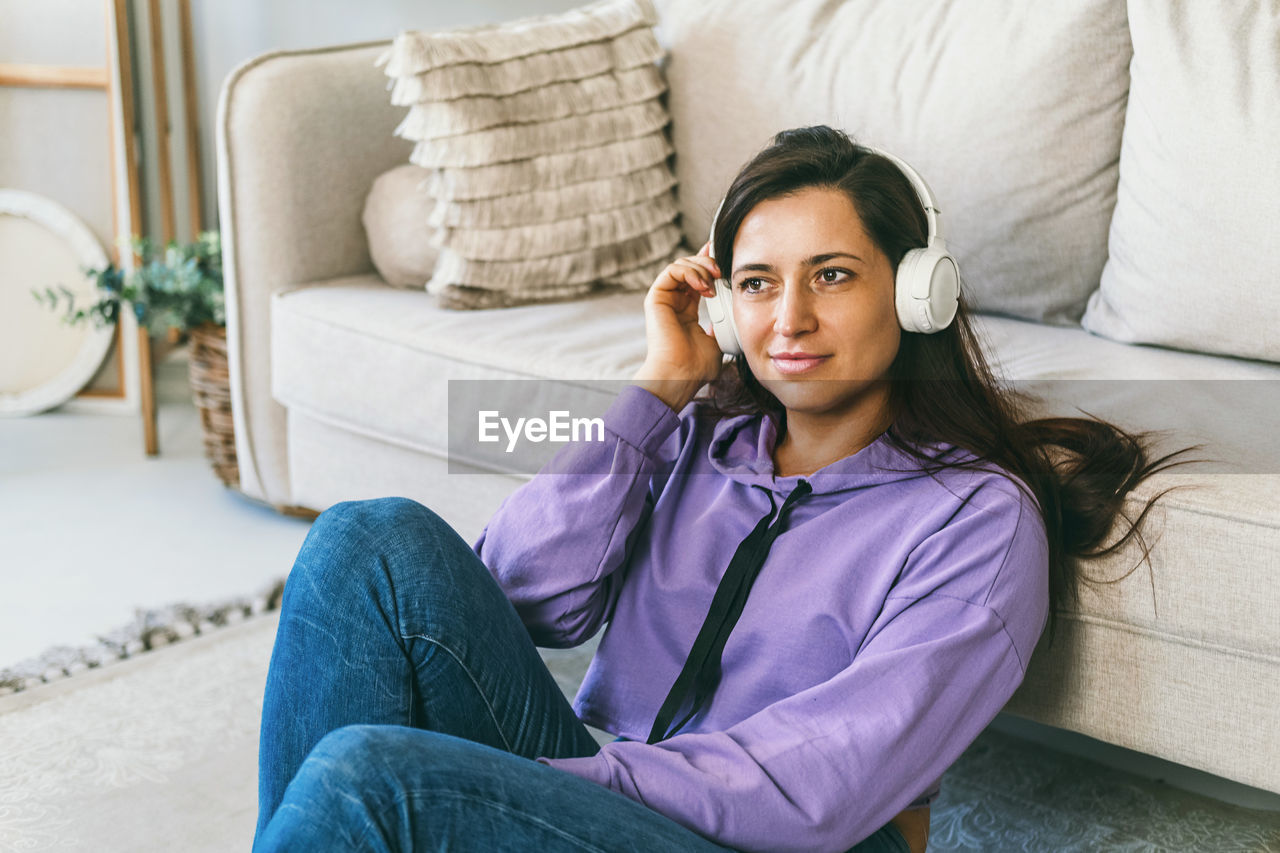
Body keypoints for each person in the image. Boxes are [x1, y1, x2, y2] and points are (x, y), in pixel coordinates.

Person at [251, 125, 1199, 852]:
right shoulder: (703, 434)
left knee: (369, 778)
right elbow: (521, 596)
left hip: (764, 840)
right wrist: (658, 393)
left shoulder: (974, 521)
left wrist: (548, 782)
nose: (790, 317)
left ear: (919, 295)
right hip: (612, 789)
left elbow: (824, 784)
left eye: (831, 275)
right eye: (756, 283)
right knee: (367, 537)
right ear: (724, 308)